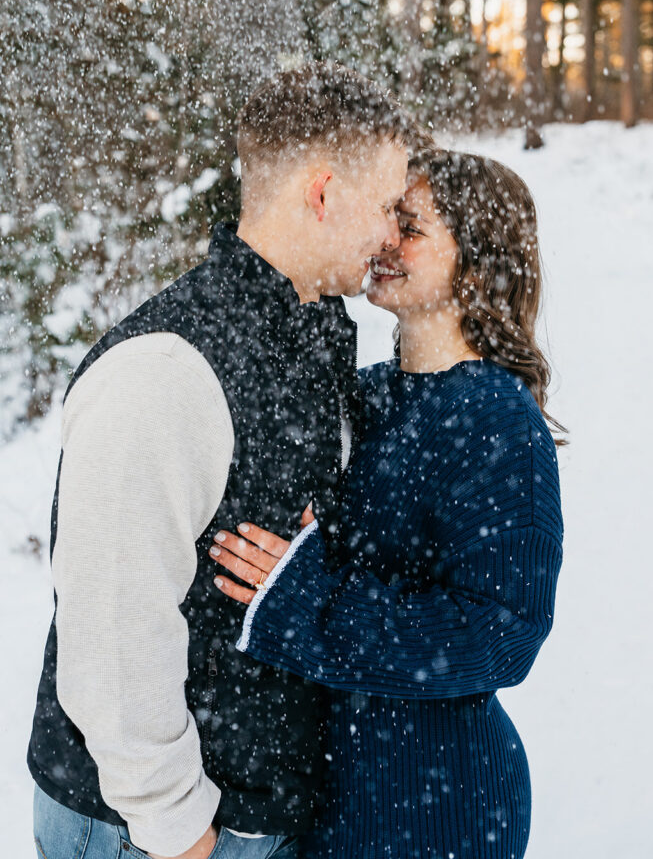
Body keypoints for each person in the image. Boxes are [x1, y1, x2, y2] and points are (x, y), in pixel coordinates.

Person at [28, 63, 424, 859]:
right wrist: (178, 827)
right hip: (148, 831)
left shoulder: (311, 336)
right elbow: (112, 627)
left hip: (254, 807)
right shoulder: (167, 367)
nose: (391, 232)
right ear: (321, 194)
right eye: (385, 205)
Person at [210, 149, 565, 859]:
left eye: (412, 227)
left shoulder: (495, 417)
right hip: (338, 787)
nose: (385, 242)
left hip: (435, 806)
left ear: (477, 260)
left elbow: (501, 632)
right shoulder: (368, 395)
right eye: (386, 220)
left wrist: (305, 603)